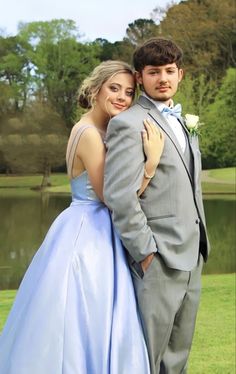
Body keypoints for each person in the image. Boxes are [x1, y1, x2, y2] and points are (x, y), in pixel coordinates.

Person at [0, 60, 164, 374]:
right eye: (114, 88)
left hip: (93, 225)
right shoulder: (89, 133)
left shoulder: (104, 127)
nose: (122, 97)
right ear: (95, 89)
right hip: (90, 232)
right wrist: (150, 165)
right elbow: (111, 196)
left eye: (129, 92)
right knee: (86, 310)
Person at [104, 39, 210, 373]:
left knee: (178, 356)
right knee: (147, 357)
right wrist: (146, 253)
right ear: (140, 77)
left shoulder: (184, 123)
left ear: (180, 74)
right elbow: (120, 196)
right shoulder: (128, 124)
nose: (162, 78)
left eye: (168, 71)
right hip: (158, 260)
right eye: (153, 72)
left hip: (193, 255)